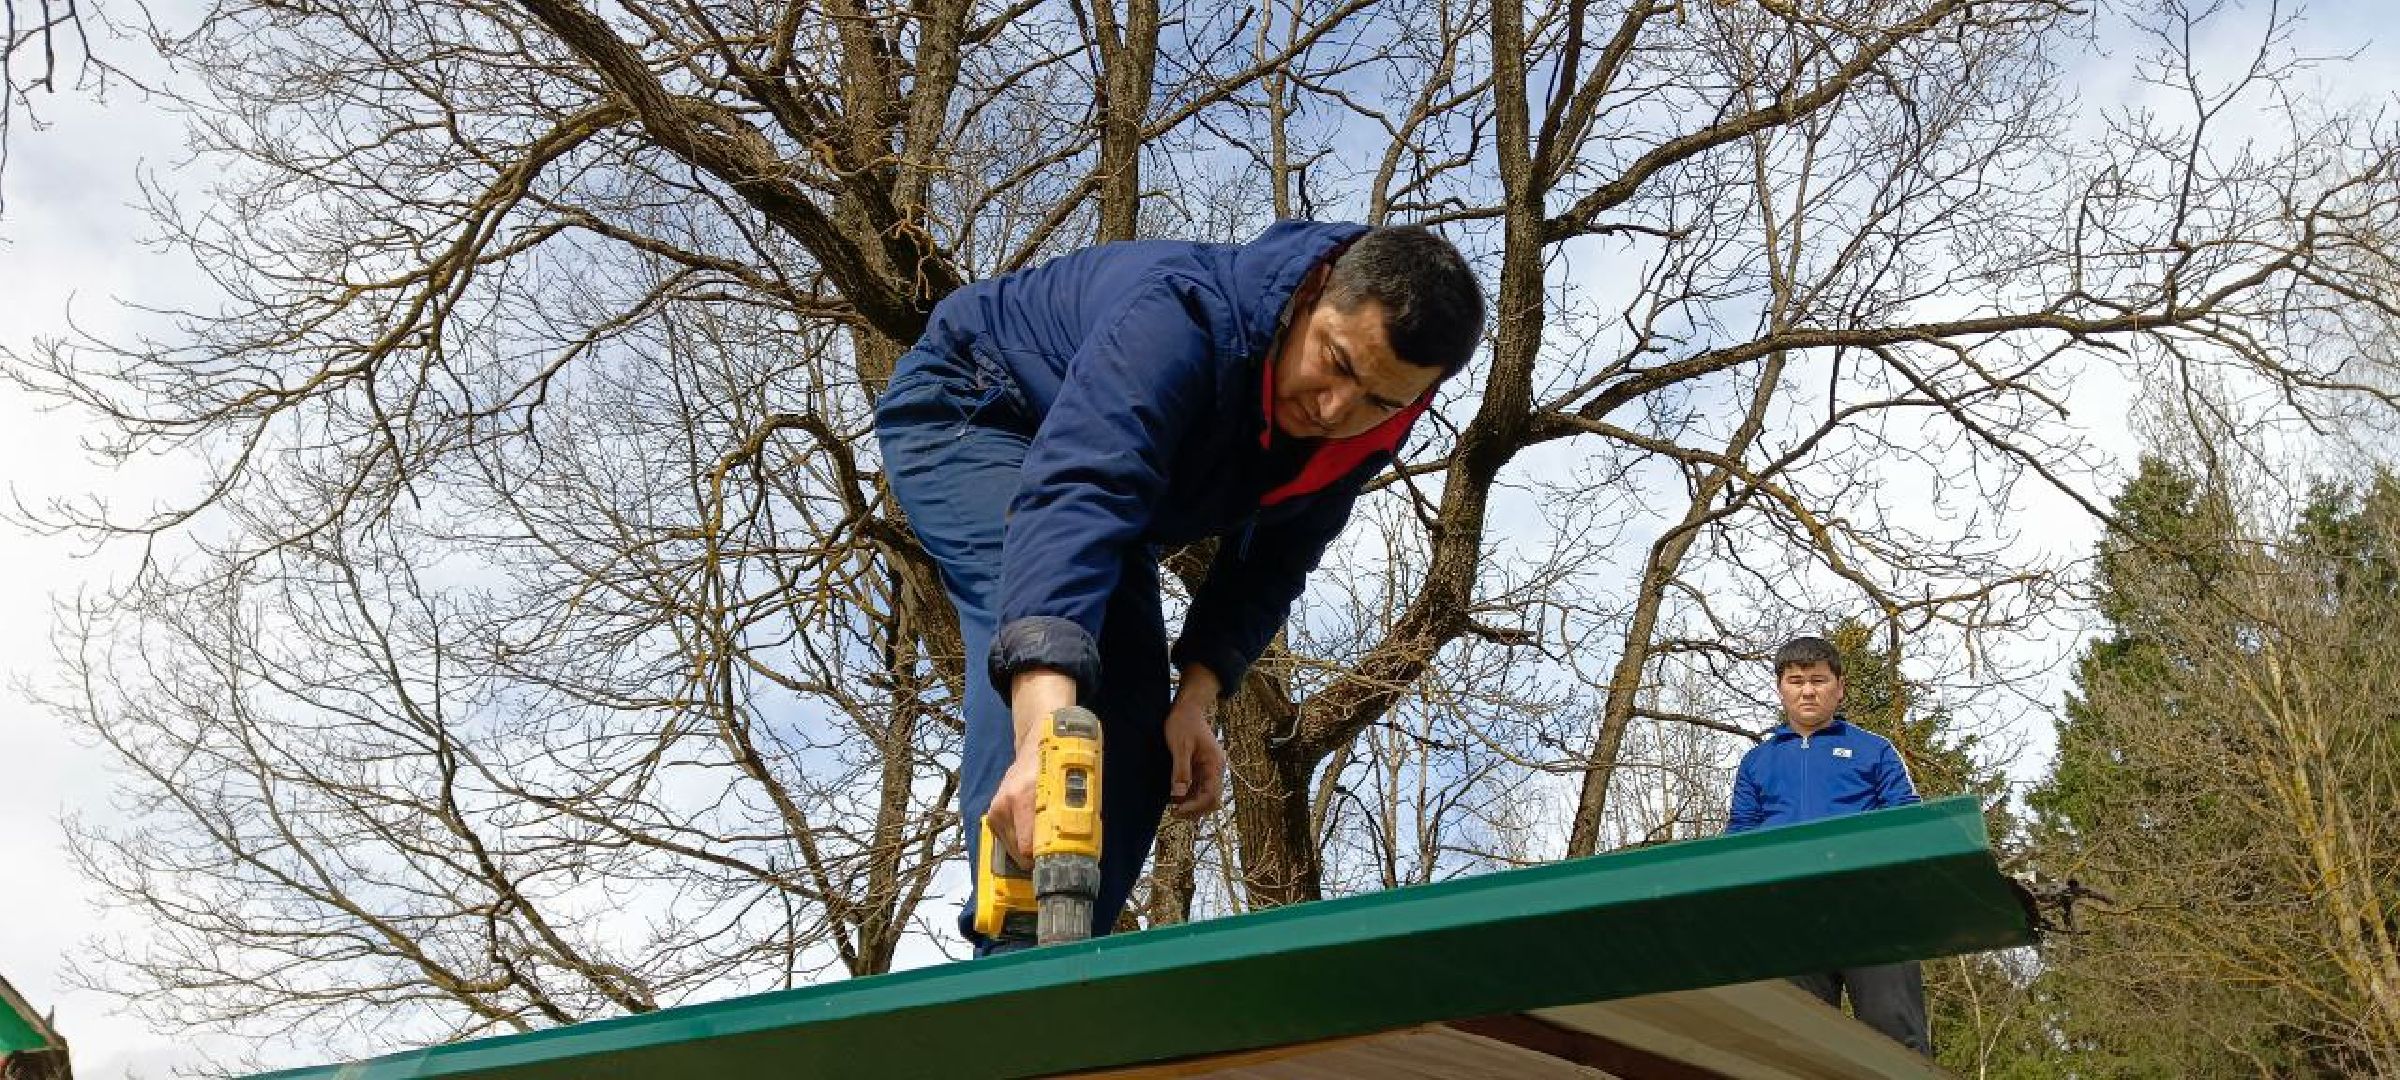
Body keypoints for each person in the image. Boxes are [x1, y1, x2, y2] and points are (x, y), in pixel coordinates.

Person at [875, 221, 1484, 953]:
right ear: (1314, 292)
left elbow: (1274, 564)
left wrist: (1197, 698)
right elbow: (1080, 495)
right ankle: (1013, 955)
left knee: (1134, 731)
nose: (1336, 411)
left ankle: (1067, 955)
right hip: (976, 403)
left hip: (1116, 495)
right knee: (1062, 679)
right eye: (1337, 363)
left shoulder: (1366, 430)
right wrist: (1040, 733)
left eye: (1380, 401)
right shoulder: (1179, 316)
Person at [1725, 635, 1929, 1054]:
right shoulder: (1757, 761)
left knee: (1894, 1036)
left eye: (1818, 679)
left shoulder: (1874, 750)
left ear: (1839, 687)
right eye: (1796, 680)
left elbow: (1909, 824)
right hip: (1789, 919)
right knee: (1800, 1045)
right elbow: (1738, 840)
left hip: (1872, 915)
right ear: (1781, 687)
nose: (1808, 690)